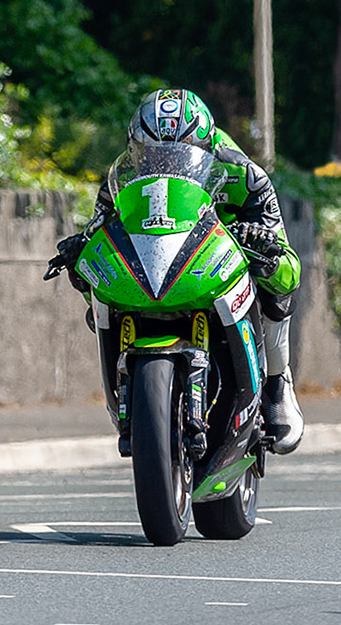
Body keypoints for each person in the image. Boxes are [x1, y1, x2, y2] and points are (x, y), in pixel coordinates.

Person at [49, 89, 305, 454]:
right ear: (135, 146)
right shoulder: (121, 175)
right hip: (158, 246)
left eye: (174, 154)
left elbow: (280, 246)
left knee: (280, 274)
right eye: (152, 154)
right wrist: (80, 249)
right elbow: (101, 226)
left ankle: (278, 383)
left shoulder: (245, 174)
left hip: (222, 238)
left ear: (205, 147)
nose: (162, 162)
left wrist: (262, 243)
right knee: (89, 275)